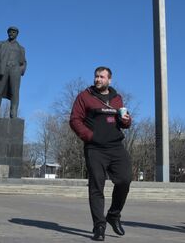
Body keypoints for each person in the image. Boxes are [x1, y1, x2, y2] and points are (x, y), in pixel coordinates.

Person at [69, 66, 133, 241]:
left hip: (116, 146)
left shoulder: (117, 98)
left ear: (109, 80)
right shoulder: (84, 97)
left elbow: (122, 122)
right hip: (95, 148)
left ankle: (113, 214)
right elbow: (75, 119)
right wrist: (90, 136)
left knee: (125, 179)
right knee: (96, 185)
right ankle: (99, 226)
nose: (98, 79)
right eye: (96, 76)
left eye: (102, 77)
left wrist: (127, 121)